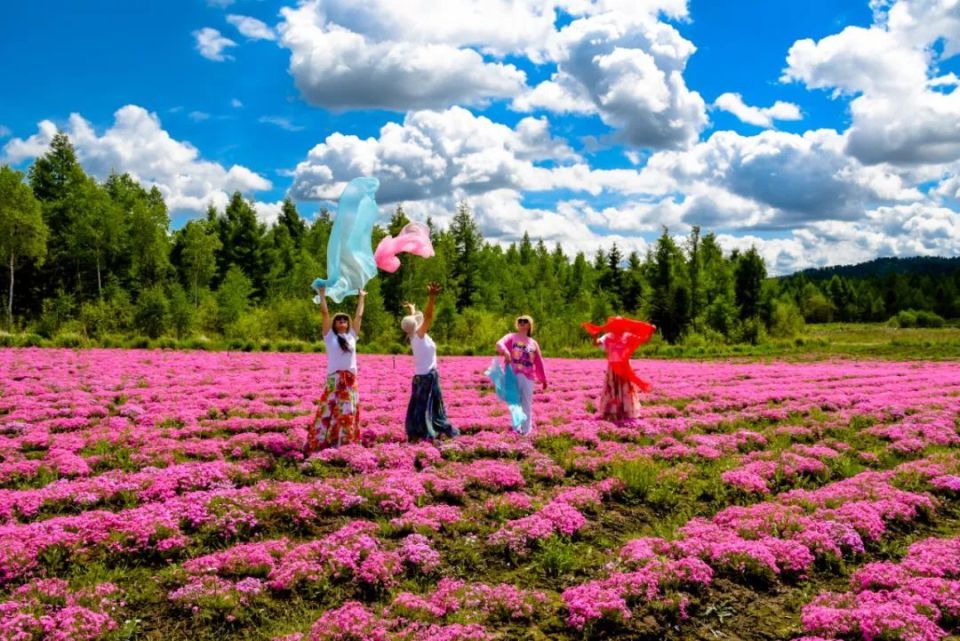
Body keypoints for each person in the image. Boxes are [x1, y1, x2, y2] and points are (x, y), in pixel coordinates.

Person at [306, 286, 366, 453]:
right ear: (334, 323)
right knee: (329, 409)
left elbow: (359, 315)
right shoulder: (329, 336)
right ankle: (325, 442)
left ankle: (346, 444)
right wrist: (322, 294)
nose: (341, 321)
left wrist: (361, 297)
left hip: (350, 380)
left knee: (348, 411)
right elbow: (324, 313)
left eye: (344, 320)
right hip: (334, 378)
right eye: (338, 319)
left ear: (348, 324)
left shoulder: (352, 335)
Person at [401, 282, 458, 442]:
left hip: (421, 377)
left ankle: (419, 433)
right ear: (416, 325)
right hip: (427, 378)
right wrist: (432, 298)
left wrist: (411, 309)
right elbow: (428, 316)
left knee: (421, 406)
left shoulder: (414, 336)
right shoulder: (419, 335)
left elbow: (418, 319)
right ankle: (427, 433)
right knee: (429, 407)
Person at [582, 317, 656, 422]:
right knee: (613, 388)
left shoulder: (628, 336)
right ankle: (612, 411)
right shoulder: (608, 337)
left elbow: (644, 340)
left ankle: (625, 411)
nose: (617, 328)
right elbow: (596, 343)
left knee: (625, 388)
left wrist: (651, 331)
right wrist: (594, 337)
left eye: (619, 325)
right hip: (613, 367)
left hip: (624, 366)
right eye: (615, 325)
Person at [495, 315, 547, 435]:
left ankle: (526, 431)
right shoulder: (511, 337)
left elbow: (539, 362)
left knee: (526, 404)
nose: (522, 323)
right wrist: (506, 351)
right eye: (520, 321)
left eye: (525, 321)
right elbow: (499, 344)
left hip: (528, 377)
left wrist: (543, 379)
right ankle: (516, 430)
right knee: (515, 403)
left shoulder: (533, 343)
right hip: (513, 374)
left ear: (529, 325)